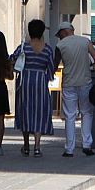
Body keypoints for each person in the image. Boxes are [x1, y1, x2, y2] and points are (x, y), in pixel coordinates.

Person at [54, 21, 95, 157]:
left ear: (64, 32)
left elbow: (54, 64)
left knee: (70, 116)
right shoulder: (85, 42)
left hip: (68, 83)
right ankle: (87, 145)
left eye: (60, 35)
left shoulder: (60, 45)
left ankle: (69, 149)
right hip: (85, 83)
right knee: (87, 113)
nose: (60, 38)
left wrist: (49, 76)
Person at [12, 19, 57, 156]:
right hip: (40, 83)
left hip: (24, 82)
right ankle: (37, 147)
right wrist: (48, 77)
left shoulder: (23, 47)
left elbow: (13, 60)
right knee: (39, 113)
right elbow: (50, 69)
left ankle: (26, 146)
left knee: (25, 111)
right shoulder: (48, 49)